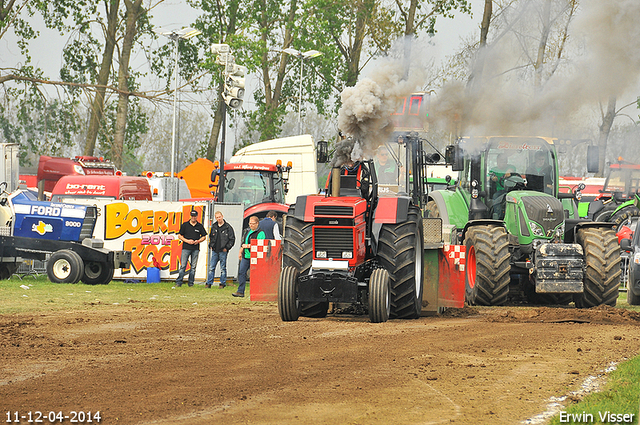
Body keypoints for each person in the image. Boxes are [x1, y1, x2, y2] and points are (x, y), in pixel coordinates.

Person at [234, 215, 266, 297]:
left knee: (255, 275)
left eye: (253, 224)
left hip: (256, 257)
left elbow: (260, 245)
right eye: (250, 223)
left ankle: (257, 292)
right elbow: (243, 243)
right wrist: (240, 251)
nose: (251, 225)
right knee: (241, 272)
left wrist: (247, 246)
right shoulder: (247, 231)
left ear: (257, 223)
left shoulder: (261, 233)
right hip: (246, 256)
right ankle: (240, 291)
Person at [175, 210, 207, 287]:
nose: (193, 217)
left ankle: (191, 283)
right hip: (186, 248)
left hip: (195, 248)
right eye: (192, 216)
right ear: (190, 216)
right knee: (183, 266)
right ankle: (179, 282)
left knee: (193, 267)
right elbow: (179, 236)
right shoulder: (185, 225)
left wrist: (198, 241)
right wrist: (187, 241)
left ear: (197, 216)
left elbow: (204, 236)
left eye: (194, 216)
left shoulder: (199, 226)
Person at [204, 211, 236, 289]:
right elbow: (211, 237)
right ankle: (209, 283)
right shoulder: (214, 226)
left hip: (223, 251)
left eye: (219, 217)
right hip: (215, 250)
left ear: (222, 216)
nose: (219, 218)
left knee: (222, 268)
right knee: (211, 267)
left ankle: (222, 283)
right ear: (216, 218)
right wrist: (211, 245)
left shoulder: (228, 227)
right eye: (217, 217)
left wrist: (227, 248)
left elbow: (232, 239)